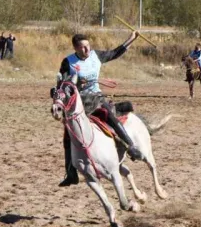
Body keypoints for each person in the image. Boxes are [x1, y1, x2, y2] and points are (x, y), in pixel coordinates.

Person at [57, 31, 141, 187]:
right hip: (79, 103)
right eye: (83, 47)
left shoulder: (96, 56)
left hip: (96, 98)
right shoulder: (68, 62)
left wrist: (131, 39)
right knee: (68, 134)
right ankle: (71, 173)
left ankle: (131, 147)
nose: (87, 49)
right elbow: (63, 85)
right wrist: (76, 84)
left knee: (110, 116)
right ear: (76, 48)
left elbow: (115, 53)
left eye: (88, 46)